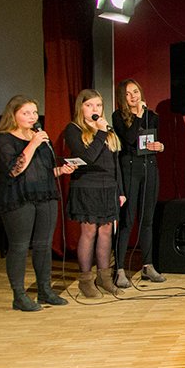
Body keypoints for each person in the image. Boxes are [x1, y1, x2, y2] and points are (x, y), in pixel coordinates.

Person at [0, 94, 76, 310]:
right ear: (13, 115)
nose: (32, 117)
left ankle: (45, 291)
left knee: (43, 245)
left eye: (34, 112)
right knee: (20, 246)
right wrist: (33, 143)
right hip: (18, 197)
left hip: (44, 194)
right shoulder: (3, 139)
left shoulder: (39, 137)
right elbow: (14, 169)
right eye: (26, 113)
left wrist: (60, 171)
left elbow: (42, 171)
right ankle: (19, 296)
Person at [62, 89, 125, 299]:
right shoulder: (73, 129)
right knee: (89, 232)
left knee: (106, 231)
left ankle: (104, 278)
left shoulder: (107, 130)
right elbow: (87, 157)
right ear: (81, 108)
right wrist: (100, 133)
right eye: (89, 105)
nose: (94, 109)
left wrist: (120, 190)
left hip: (108, 188)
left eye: (98, 105)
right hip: (87, 187)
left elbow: (116, 163)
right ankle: (85, 281)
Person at [111, 78, 165, 286]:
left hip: (149, 168)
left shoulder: (152, 117)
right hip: (129, 169)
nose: (133, 96)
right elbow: (130, 138)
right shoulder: (118, 117)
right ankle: (119, 269)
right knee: (127, 220)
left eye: (135, 91)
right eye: (128, 94)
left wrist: (160, 147)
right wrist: (139, 115)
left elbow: (152, 141)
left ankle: (147, 266)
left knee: (147, 219)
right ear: (122, 98)